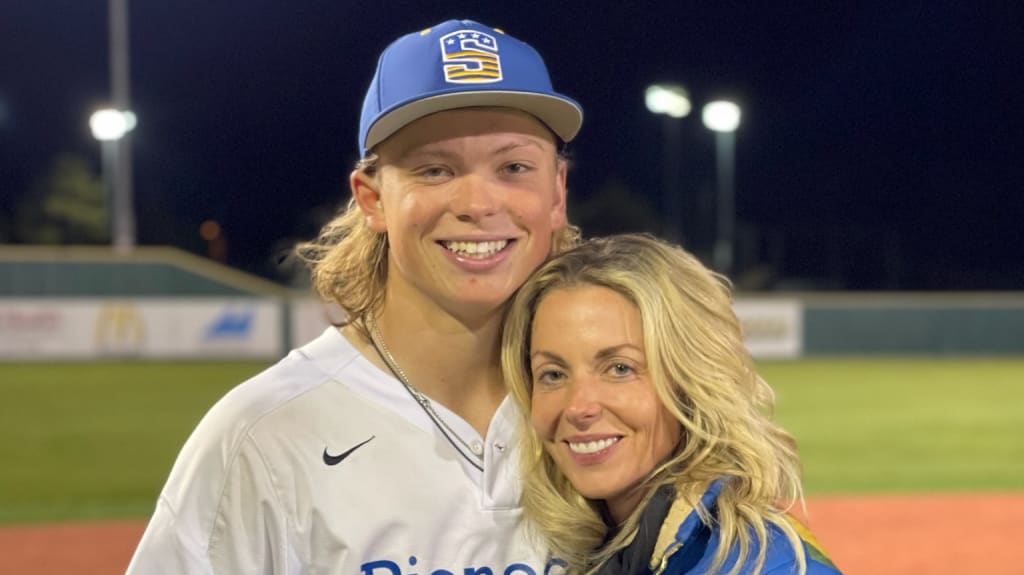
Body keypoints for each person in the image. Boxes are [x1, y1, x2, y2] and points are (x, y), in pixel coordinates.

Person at [126, 19, 583, 574]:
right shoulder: (263, 434)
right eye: (435, 169)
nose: (479, 202)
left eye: (514, 167)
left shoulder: (608, 417)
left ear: (556, 193)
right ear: (371, 199)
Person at [501, 234, 842, 575]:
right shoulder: (600, 550)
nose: (577, 407)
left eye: (620, 368)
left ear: (689, 381)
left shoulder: (766, 566)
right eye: (553, 374)